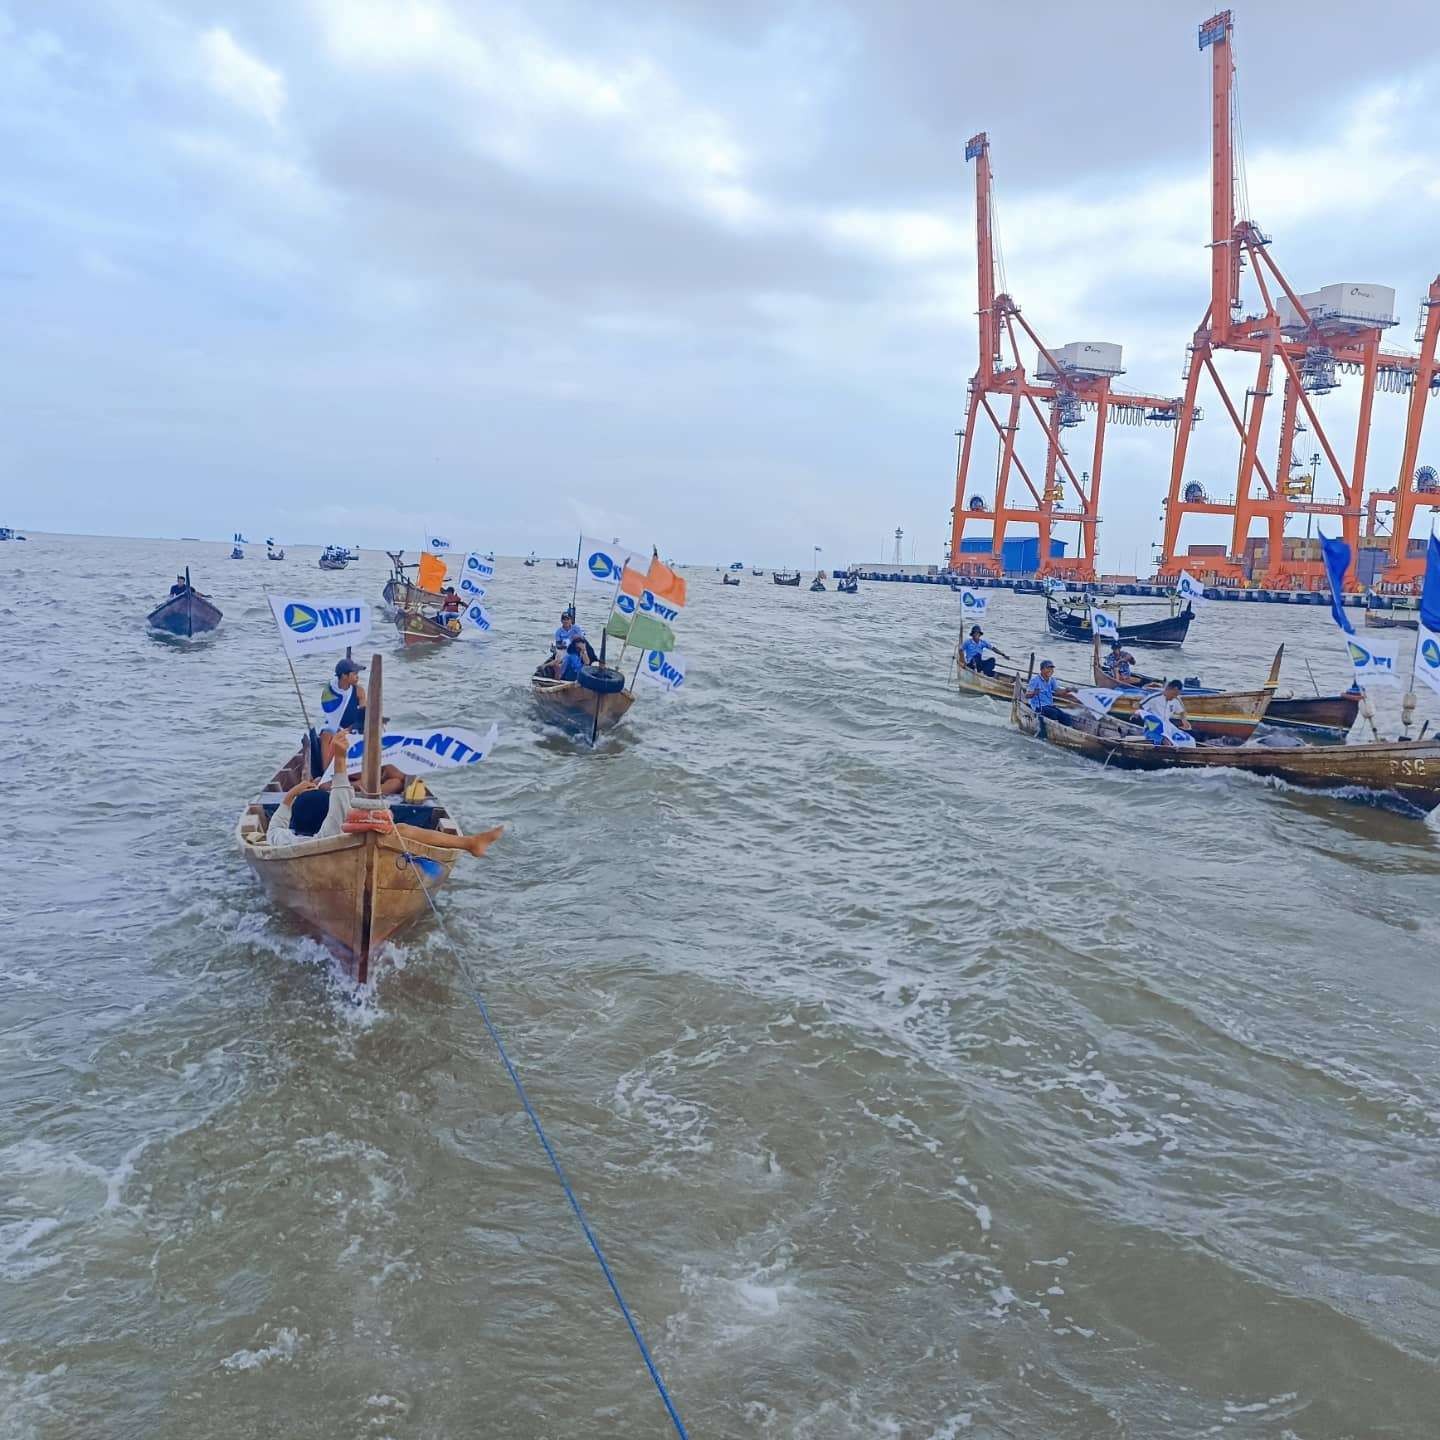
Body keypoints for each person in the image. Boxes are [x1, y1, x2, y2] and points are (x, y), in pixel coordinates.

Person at [266, 731, 504, 857]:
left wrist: (290, 796)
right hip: (347, 828)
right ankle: (468, 843)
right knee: (400, 831)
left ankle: (471, 843)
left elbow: (275, 826)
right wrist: (340, 761)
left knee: (396, 830)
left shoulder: (285, 839)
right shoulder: (329, 836)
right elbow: (339, 804)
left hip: (344, 813)